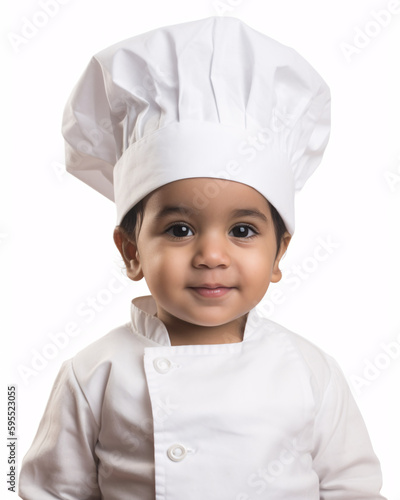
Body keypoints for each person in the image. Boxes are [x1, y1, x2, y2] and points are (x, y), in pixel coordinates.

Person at [19, 16, 386, 499]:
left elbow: (352, 487)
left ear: (279, 253)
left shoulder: (310, 370)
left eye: (242, 230)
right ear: (132, 253)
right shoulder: (94, 373)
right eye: (180, 229)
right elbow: (52, 492)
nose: (211, 255)